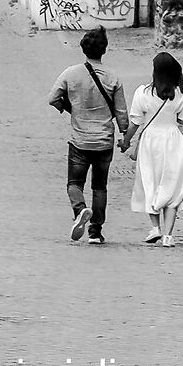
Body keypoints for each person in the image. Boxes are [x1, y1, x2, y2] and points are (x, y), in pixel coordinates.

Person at [47, 25, 130, 244]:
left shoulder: (70, 74)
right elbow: (121, 112)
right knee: (99, 186)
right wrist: (125, 136)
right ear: (104, 49)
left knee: (74, 184)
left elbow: (53, 98)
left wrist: (71, 109)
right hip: (104, 140)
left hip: (79, 140)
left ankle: (80, 209)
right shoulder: (113, 77)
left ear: (84, 48)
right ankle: (95, 232)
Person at [127, 49, 183, 246]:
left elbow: (135, 121)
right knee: (172, 186)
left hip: (150, 142)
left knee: (150, 180)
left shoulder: (142, 93)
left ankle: (155, 228)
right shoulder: (180, 95)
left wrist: (125, 141)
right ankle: (168, 236)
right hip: (173, 141)